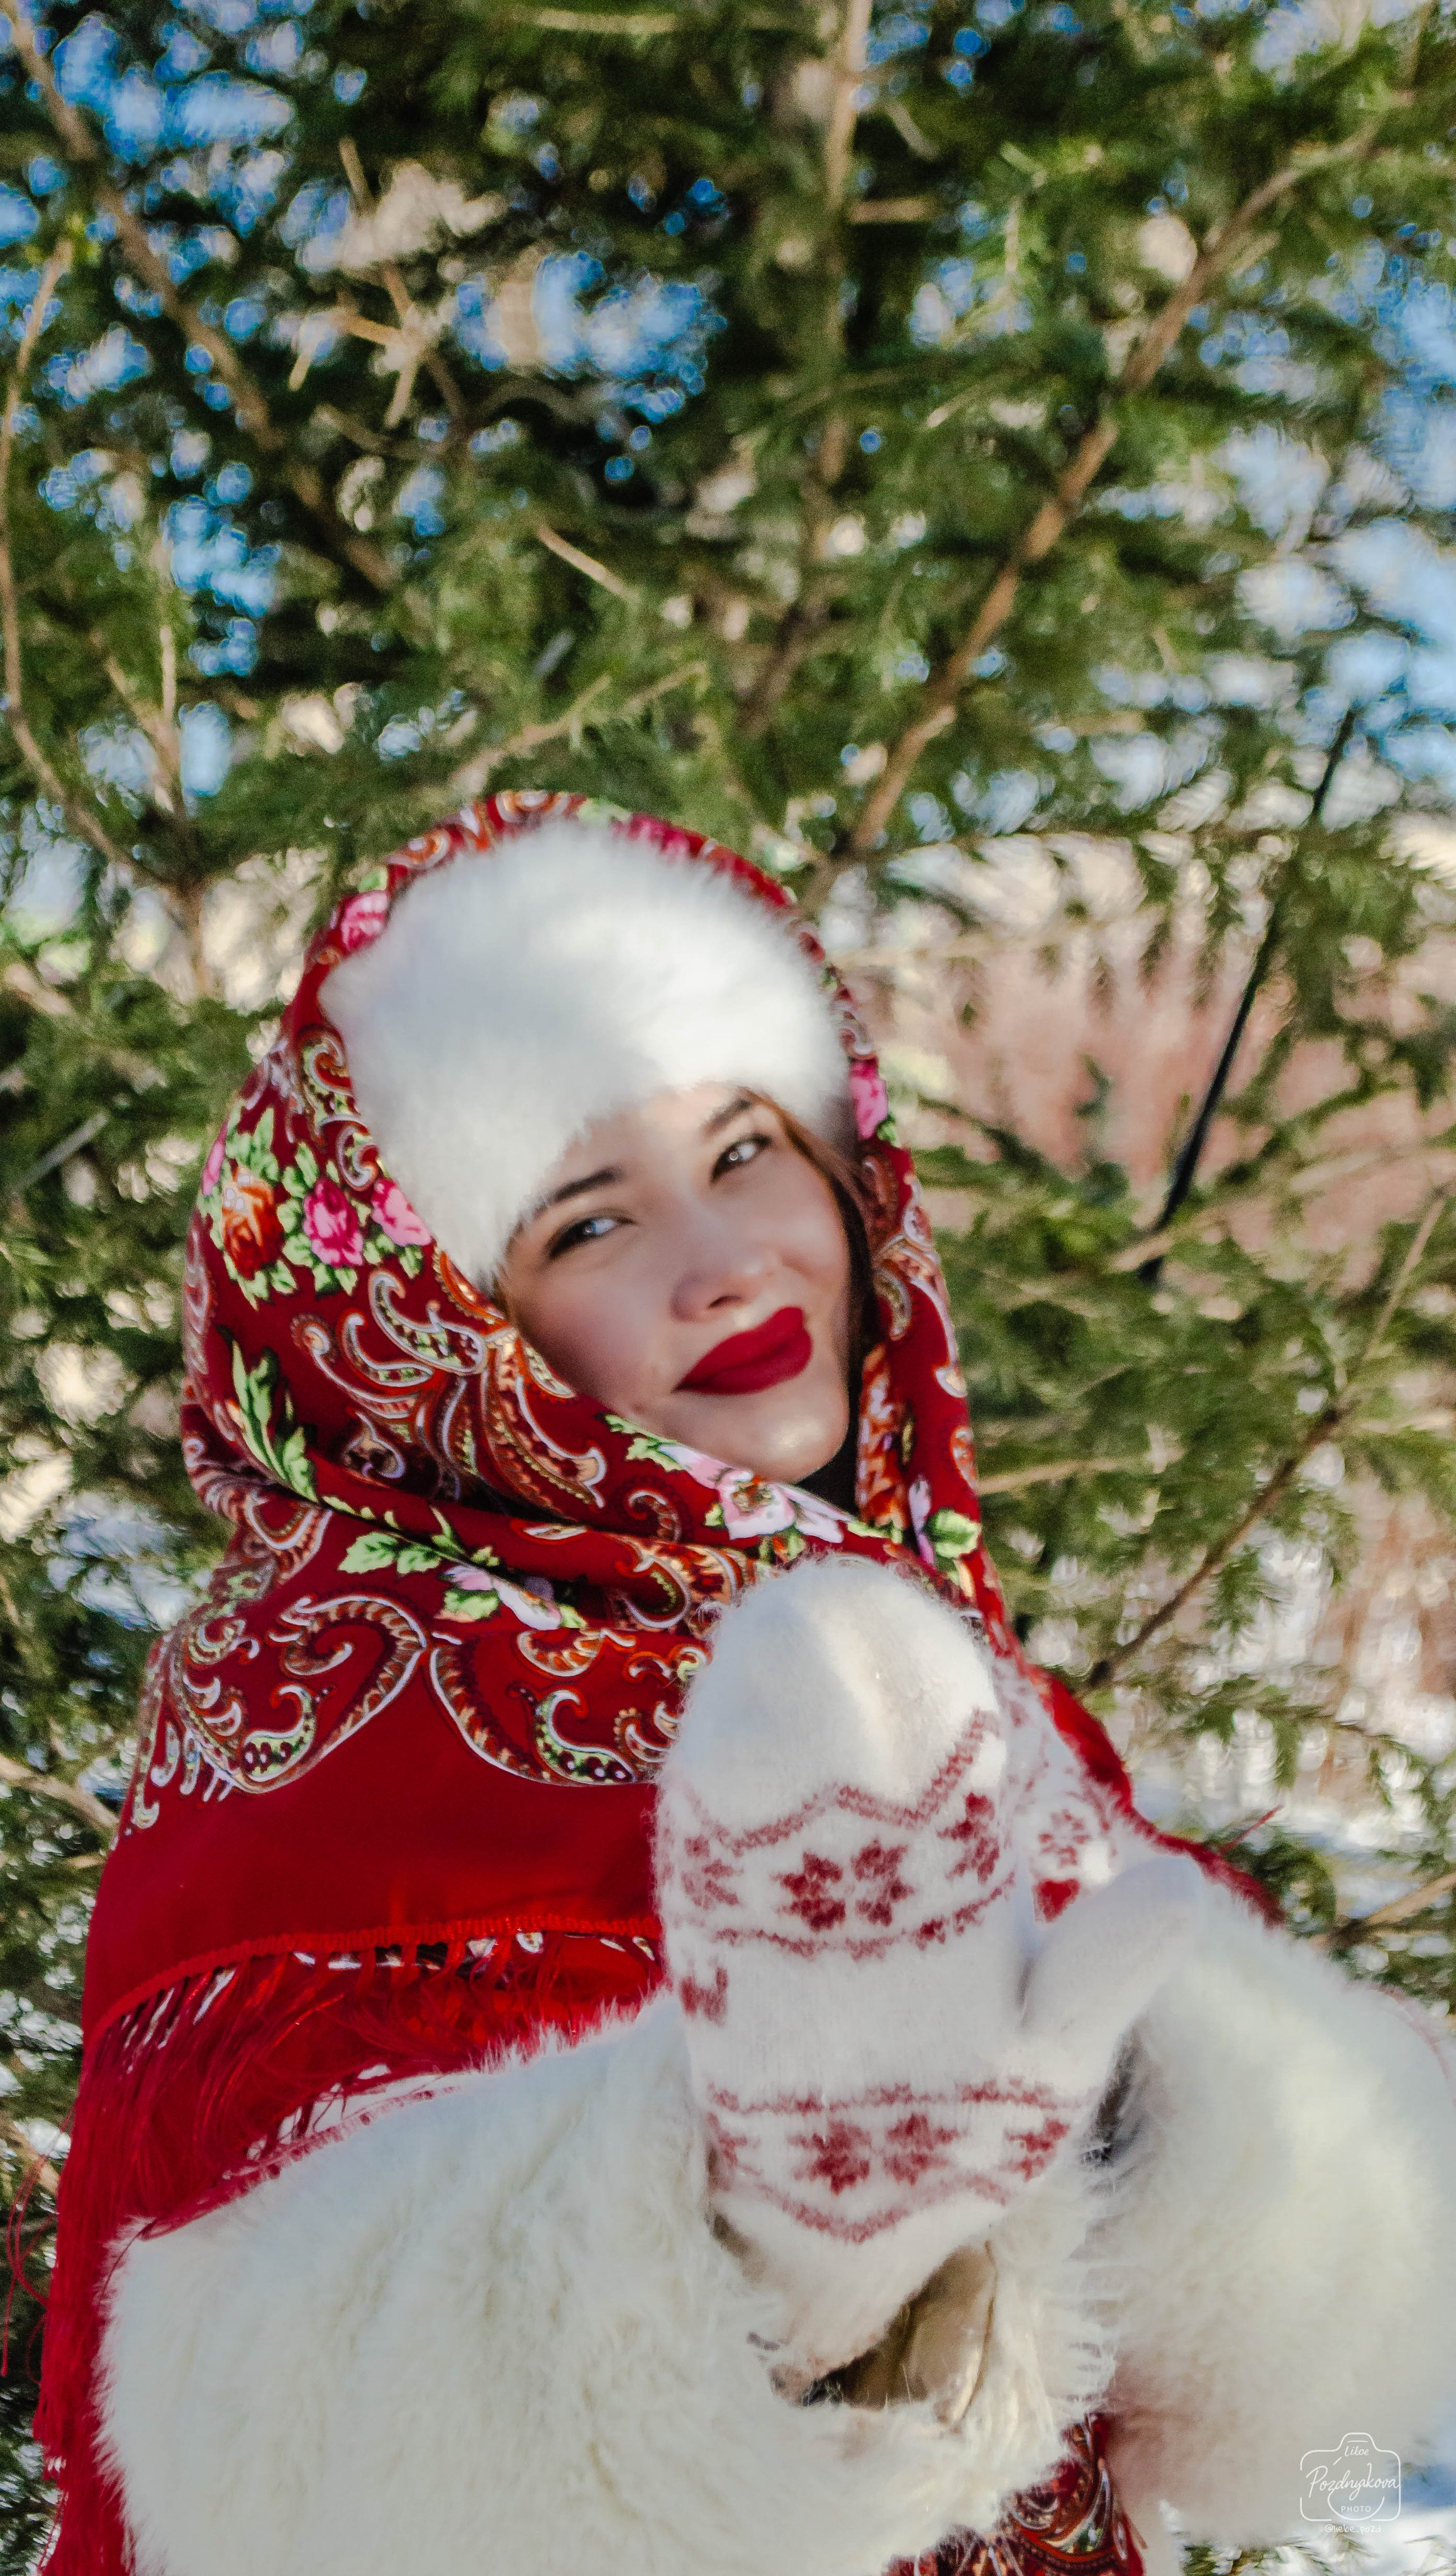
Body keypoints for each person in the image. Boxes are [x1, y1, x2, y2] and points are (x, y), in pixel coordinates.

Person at [38, 794, 1456, 2576]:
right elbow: (247, 2436)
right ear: (445, 1331)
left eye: (742, 1152)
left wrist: (1179, 2124)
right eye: (584, 1221)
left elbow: (1298, 2443)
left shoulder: (928, 1661)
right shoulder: (325, 1699)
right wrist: (759, 2270)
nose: (726, 1261)